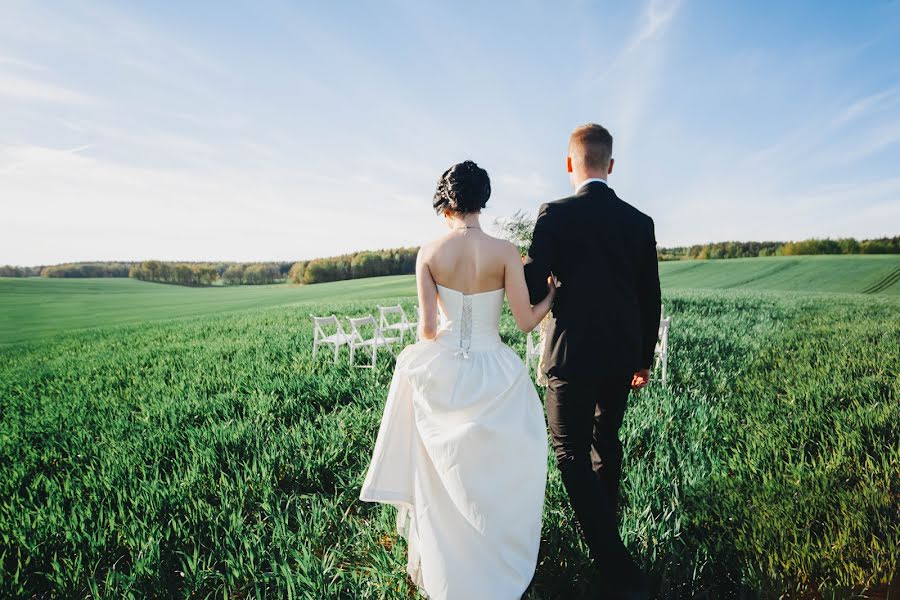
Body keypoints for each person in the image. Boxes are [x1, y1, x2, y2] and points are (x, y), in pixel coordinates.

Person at [359, 160, 555, 600]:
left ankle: (449, 564)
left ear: (447, 201)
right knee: (493, 472)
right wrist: (552, 297)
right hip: (494, 367)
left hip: (446, 366)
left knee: (443, 475)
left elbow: (427, 329)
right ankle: (494, 561)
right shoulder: (505, 251)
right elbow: (525, 322)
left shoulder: (429, 254)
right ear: (483, 200)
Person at [524, 123, 661, 600]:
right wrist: (644, 356)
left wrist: (525, 268)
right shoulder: (639, 222)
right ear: (611, 165)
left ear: (569, 164)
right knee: (606, 442)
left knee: (569, 456)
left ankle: (617, 567)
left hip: (569, 355)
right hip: (622, 357)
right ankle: (609, 554)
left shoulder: (554, 215)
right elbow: (650, 296)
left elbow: (534, 285)